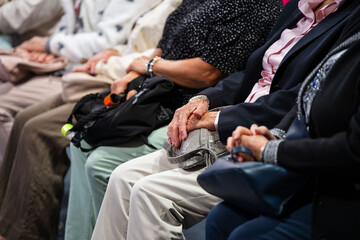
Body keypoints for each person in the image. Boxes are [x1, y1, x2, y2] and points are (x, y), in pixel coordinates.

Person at [91, 0, 360, 239]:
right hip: (229, 114)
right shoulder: (296, 9)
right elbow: (249, 73)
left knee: (149, 193)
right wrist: (204, 100)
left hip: (259, 129)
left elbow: (298, 96)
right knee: (122, 177)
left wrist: (220, 119)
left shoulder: (348, 17)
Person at [66, 0, 283, 239]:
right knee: (82, 139)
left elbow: (209, 72)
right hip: (161, 93)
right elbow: (164, 44)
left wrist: (151, 66)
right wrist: (135, 73)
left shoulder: (253, 5)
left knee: (102, 164)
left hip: (180, 102)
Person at [0, 1, 164, 239]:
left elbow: (143, 52)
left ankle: (25, 232)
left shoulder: (175, 6)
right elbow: (132, 47)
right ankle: (8, 225)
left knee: (39, 131)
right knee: (26, 120)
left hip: (103, 77)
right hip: (91, 70)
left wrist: (52, 46)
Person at [206, 16, 360, 240]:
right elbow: (309, 91)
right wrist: (276, 136)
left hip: (340, 191)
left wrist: (270, 150)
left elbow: (353, 151)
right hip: (297, 152)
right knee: (221, 218)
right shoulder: (350, 23)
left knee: (147, 191)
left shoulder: (347, 14)